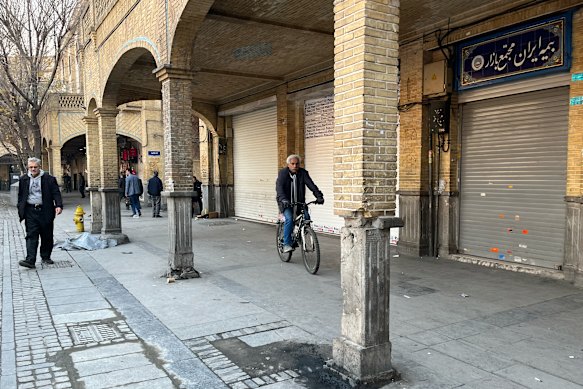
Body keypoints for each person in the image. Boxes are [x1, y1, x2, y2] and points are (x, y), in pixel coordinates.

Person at [17, 157, 63, 268]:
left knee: (46, 235)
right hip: (30, 211)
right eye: (31, 167)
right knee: (31, 235)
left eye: (35, 167)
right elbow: (21, 195)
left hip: (45, 210)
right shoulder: (23, 179)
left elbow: (56, 193)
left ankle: (46, 257)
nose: (33, 169)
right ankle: (30, 260)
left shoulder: (49, 179)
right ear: (28, 167)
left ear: (39, 167)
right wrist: (20, 207)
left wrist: (58, 205)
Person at [276, 154, 324, 253]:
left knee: (307, 217)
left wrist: (319, 196)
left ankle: (302, 233)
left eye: (297, 164)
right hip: (286, 203)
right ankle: (286, 244)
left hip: (299, 202)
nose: (295, 166)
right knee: (289, 219)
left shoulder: (303, 173)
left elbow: (311, 185)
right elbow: (279, 188)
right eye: (292, 164)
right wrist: (283, 199)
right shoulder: (283, 174)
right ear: (288, 164)